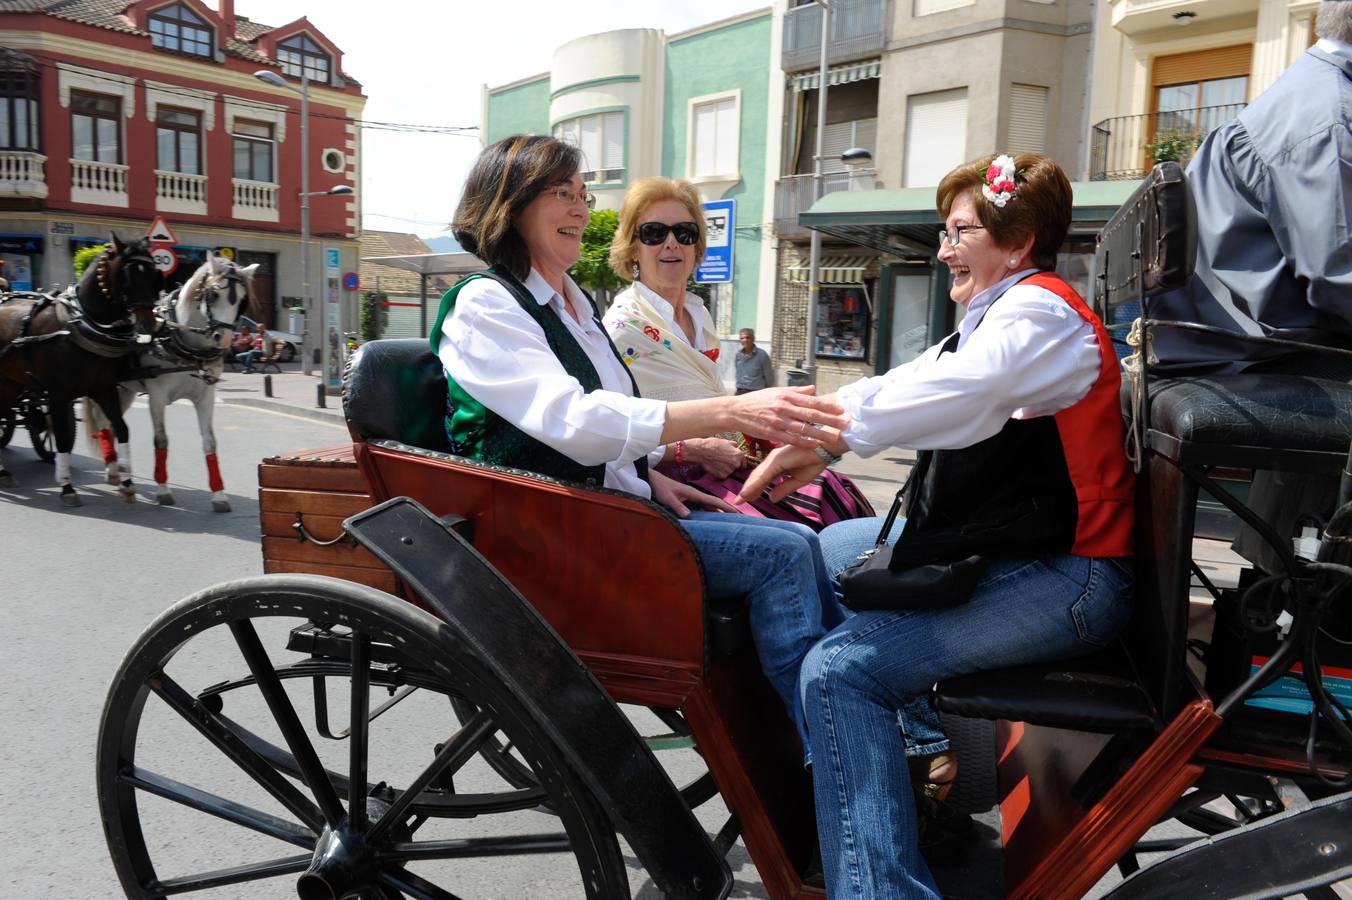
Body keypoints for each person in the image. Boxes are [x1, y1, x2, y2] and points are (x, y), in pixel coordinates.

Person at [739, 153, 1136, 898]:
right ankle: (897, 761)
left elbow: (963, 391)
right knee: (820, 548)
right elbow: (914, 380)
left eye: (959, 231)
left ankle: (880, 867)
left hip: (1074, 577)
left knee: (838, 673)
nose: (945, 247)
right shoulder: (1004, 311)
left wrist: (831, 436)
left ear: (1016, 242)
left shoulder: (1041, 313)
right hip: (1030, 556)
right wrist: (820, 425)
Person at [433, 134, 850, 736]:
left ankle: (845, 720)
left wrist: (652, 472)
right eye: (561, 194)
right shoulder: (486, 305)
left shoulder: (571, 303)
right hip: (552, 532)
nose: (581, 209)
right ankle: (827, 741)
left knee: (799, 538)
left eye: (583, 194)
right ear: (511, 205)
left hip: (617, 507)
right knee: (784, 552)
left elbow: (612, 418)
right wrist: (732, 414)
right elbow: (575, 422)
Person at [1151, 2, 1352, 573]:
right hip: (1254, 353)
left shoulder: (1305, 92)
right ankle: (1304, 593)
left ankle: (1289, 592)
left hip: (1226, 341)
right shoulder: (1328, 117)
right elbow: (1338, 278)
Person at [603, 176, 874, 531]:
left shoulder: (698, 314)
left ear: (697, 247)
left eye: (684, 232)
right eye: (654, 232)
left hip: (730, 463)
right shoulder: (623, 326)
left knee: (838, 494)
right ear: (633, 248)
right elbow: (607, 431)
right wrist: (691, 450)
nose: (671, 243)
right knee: (803, 528)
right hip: (682, 485)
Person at [735, 328, 774, 394]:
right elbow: (738, 372)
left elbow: (768, 375)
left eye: (747, 338)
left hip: (756, 393)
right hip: (740, 391)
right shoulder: (738, 355)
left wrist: (766, 391)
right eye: (742, 338)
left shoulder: (762, 355)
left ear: (753, 339)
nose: (745, 340)